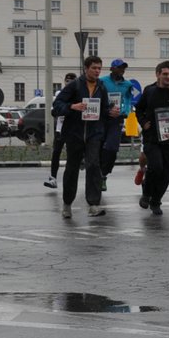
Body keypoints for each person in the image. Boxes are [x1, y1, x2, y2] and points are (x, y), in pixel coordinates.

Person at [50, 56, 111, 218]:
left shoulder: (102, 87)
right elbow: (56, 108)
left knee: (93, 166)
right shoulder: (74, 86)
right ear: (86, 68)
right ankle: (67, 204)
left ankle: (93, 204)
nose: (97, 71)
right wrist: (72, 106)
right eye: (94, 68)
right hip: (74, 134)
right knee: (72, 168)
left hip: (94, 134)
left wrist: (111, 112)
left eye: (99, 68)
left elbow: (104, 109)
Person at [133, 61, 169, 215]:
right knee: (156, 167)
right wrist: (143, 123)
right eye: (165, 74)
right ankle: (146, 192)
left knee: (166, 172)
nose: (168, 77)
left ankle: (156, 201)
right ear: (157, 74)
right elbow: (139, 109)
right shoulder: (149, 92)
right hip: (152, 138)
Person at [96, 59, 134, 187]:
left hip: (117, 119)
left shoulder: (127, 85)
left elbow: (128, 101)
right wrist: (105, 110)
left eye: (123, 68)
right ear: (112, 69)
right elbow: (96, 98)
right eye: (119, 67)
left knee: (112, 148)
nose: (122, 70)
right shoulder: (102, 81)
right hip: (102, 118)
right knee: (100, 146)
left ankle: (103, 174)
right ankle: (98, 173)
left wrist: (124, 112)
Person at [42, 72, 77, 189]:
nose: (69, 83)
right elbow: (53, 111)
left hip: (74, 129)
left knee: (73, 154)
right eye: (67, 80)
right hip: (60, 128)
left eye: (72, 80)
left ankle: (71, 178)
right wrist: (63, 110)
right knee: (56, 152)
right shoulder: (60, 94)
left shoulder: (78, 94)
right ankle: (53, 178)